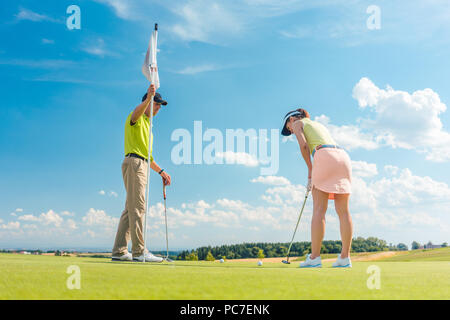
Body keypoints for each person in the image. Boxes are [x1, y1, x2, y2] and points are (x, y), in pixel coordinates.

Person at [281, 108, 353, 268]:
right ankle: (344, 258)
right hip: (343, 157)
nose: (291, 131)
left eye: (288, 128)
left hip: (324, 155)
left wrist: (310, 171)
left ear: (292, 119)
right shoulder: (318, 125)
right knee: (343, 211)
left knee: (319, 210)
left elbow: (304, 146)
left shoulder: (298, 123)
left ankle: (314, 258)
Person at [112, 84, 172, 262]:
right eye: (157, 104)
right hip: (134, 163)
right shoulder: (137, 118)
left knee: (130, 209)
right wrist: (148, 99)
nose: (159, 108)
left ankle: (119, 251)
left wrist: (162, 172)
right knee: (138, 207)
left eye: (160, 105)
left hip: (142, 164)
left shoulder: (149, 127)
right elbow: (134, 115)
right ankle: (139, 252)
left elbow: (150, 158)